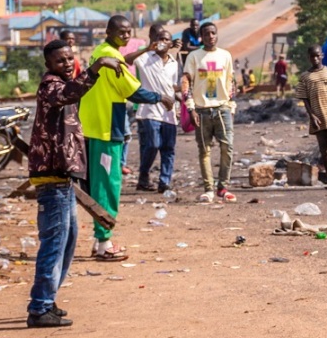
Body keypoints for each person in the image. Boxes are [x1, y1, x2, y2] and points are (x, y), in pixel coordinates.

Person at [26, 39, 124, 328]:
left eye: (70, 59)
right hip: (52, 177)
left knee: (68, 241)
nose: (67, 64)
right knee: (54, 244)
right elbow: (70, 92)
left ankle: (48, 299)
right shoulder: (51, 86)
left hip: (64, 177)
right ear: (49, 65)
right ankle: (40, 306)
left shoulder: (65, 83)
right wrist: (96, 68)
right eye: (60, 61)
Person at [78, 16, 173, 261]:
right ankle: (104, 242)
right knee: (107, 186)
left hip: (93, 125)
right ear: (108, 31)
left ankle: (100, 240)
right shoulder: (111, 57)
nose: (126, 35)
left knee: (98, 184)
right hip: (106, 127)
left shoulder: (102, 52)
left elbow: (123, 66)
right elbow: (134, 91)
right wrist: (161, 97)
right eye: (121, 31)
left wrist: (143, 50)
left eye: (129, 31)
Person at [182, 22, 237, 203]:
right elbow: (186, 81)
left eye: (213, 33)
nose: (210, 36)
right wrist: (190, 107)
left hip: (222, 108)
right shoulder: (194, 56)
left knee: (227, 147)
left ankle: (223, 187)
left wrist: (232, 105)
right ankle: (209, 189)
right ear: (201, 37)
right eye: (206, 34)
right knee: (204, 150)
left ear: (217, 34)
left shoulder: (225, 56)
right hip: (202, 110)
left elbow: (231, 81)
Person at [133, 26, 180, 192]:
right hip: (150, 110)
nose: (163, 42)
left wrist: (181, 97)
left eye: (167, 39)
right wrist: (147, 48)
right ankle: (144, 174)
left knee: (168, 148)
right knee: (153, 144)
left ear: (170, 43)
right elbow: (126, 60)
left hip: (169, 112)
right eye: (160, 38)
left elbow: (172, 85)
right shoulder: (145, 58)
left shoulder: (174, 63)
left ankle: (164, 181)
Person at [296, 45, 327, 189]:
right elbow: (304, 99)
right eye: (312, 56)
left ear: (322, 55)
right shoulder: (305, 77)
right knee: (324, 150)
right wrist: (311, 116)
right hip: (317, 118)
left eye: (317, 55)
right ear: (309, 58)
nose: (315, 58)